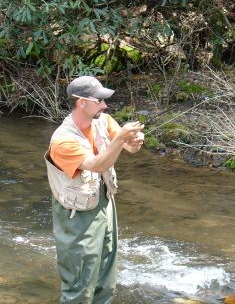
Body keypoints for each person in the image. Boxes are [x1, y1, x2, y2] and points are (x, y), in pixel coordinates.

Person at [44, 76, 144, 304]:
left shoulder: (103, 120)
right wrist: (120, 138)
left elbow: (129, 147)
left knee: (105, 274)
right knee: (79, 281)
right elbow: (99, 165)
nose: (104, 105)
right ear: (81, 102)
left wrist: (134, 141)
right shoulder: (62, 142)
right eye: (99, 100)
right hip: (76, 214)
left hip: (104, 201)